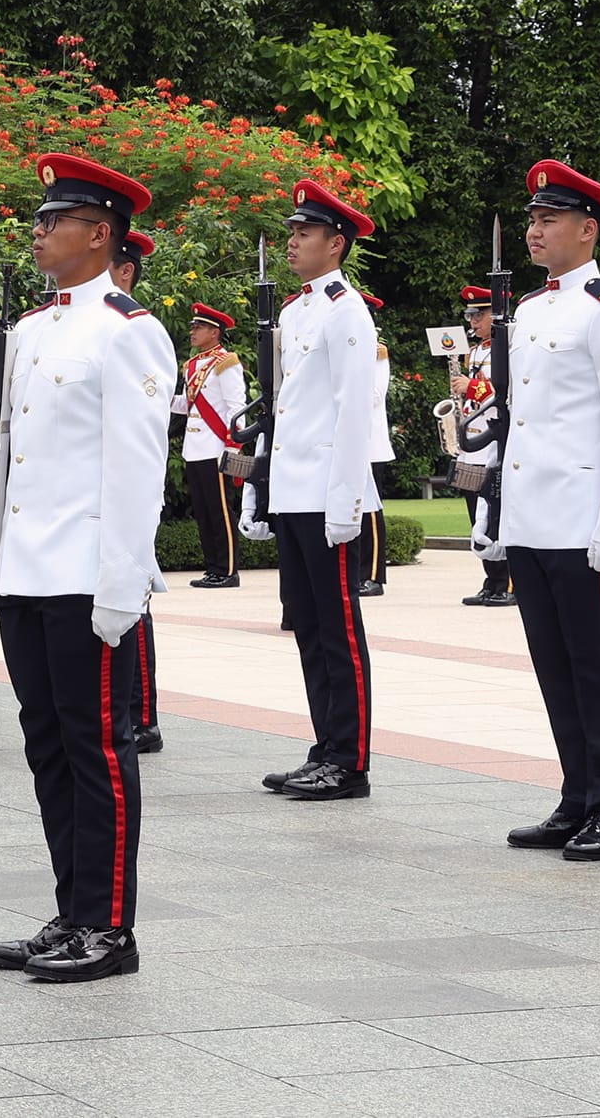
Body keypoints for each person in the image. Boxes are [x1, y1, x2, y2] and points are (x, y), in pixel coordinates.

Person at [0, 156, 172, 983]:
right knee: (46, 746)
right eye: (39, 219)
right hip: (25, 573)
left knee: (96, 750)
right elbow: (3, 461)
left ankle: (108, 927)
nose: (38, 231)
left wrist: (124, 582)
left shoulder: (129, 330)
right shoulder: (33, 331)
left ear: (100, 234)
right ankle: (71, 911)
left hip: (84, 574)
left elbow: (138, 469)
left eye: (56, 219)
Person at [479, 161, 600, 861]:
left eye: (549, 220)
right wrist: (499, 518)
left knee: (593, 662)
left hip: (582, 518)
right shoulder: (534, 308)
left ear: (588, 229)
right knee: (553, 663)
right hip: (532, 517)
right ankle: (577, 794)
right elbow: (526, 423)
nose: (534, 230)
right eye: (531, 220)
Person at [238, 182, 380, 802]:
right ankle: (325, 746)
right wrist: (261, 490)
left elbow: (354, 412)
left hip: (327, 495)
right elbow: (282, 409)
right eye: (292, 232)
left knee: (338, 630)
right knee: (308, 627)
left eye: (304, 234)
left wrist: (347, 501)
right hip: (294, 491)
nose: (292, 242)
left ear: (336, 243)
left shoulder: (347, 309)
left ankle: (349, 761)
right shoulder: (296, 313)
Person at [110, 229, 169, 755]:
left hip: (126, 502)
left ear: (124, 269)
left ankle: (142, 714)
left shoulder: (134, 330)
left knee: (134, 604)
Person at [174, 304, 244, 590]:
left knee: (220, 511)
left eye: (198, 327)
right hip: (195, 447)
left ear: (214, 332)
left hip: (215, 446)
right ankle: (213, 567)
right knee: (203, 511)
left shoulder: (225, 362)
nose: (193, 332)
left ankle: (228, 570)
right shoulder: (192, 365)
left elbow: (236, 407)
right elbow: (187, 405)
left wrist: (233, 445)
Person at [451, 286, 514, 607]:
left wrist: (472, 386)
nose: (473, 322)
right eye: (471, 316)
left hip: (494, 442)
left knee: (497, 512)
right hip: (471, 443)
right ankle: (490, 579)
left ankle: (508, 581)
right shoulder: (475, 351)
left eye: (480, 315)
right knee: (474, 510)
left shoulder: (509, 346)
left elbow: (509, 391)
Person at [354, 291, 392, 598]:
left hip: (368, 441)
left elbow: (375, 395)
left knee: (370, 510)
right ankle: (357, 571)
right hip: (348, 441)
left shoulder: (375, 351)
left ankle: (374, 574)